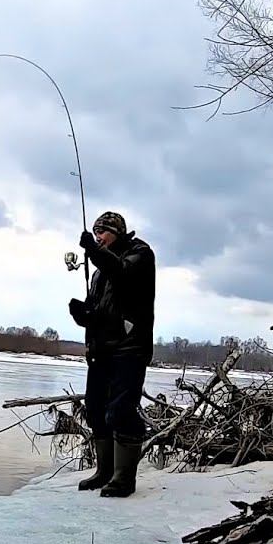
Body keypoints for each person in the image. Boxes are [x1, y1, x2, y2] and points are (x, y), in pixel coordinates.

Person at [65, 211, 156, 498]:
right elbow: (99, 313)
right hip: (102, 349)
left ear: (116, 231)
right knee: (95, 409)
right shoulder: (98, 272)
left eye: (101, 233)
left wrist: (92, 250)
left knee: (121, 410)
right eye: (94, 235)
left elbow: (123, 272)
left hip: (130, 347)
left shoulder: (140, 254)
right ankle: (104, 471)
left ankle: (123, 479)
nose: (97, 238)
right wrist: (83, 316)